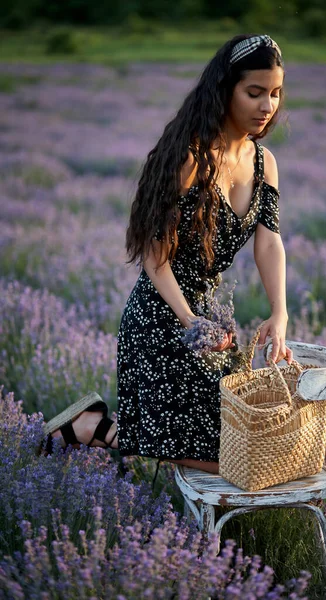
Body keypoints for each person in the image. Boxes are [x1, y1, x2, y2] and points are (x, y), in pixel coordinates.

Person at [41, 33, 293, 476]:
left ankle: (96, 426)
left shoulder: (263, 162)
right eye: (254, 93)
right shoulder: (191, 158)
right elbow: (155, 258)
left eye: (274, 94)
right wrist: (190, 321)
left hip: (209, 325)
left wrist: (280, 313)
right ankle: (93, 426)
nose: (266, 106)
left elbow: (269, 240)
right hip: (161, 323)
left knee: (245, 445)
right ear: (225, 90)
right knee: (232, 462)